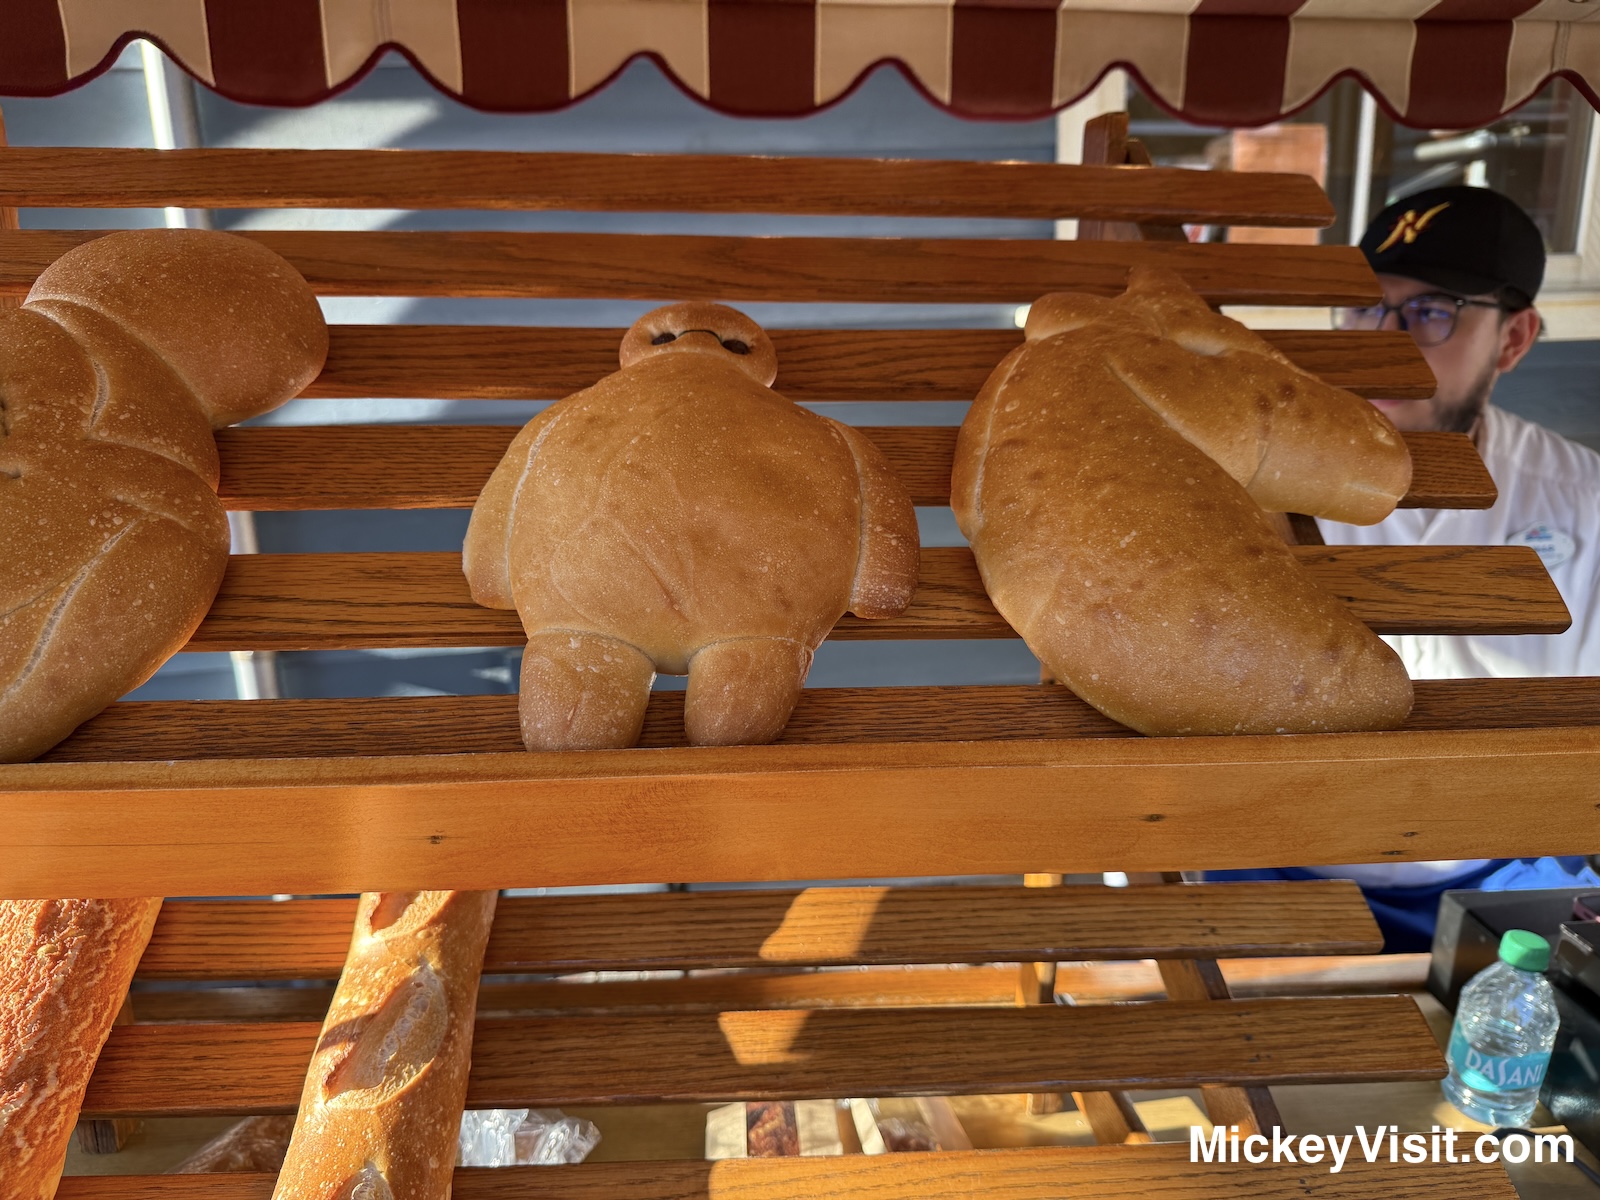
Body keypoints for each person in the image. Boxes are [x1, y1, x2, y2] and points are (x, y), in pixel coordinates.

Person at [1215, 186, 1600, 951]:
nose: (1384, 342)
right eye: (1366, 308)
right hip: (1273, 867)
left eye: (1432, 311)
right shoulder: (1244, 483)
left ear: (1514, 339)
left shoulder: (1583, 501)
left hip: (1498, 876)